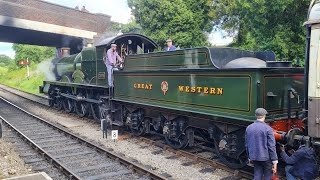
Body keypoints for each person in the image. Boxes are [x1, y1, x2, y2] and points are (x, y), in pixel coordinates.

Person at [245, 108, 278, 180]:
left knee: (257, 175)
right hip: (266, 158)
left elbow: (247, 144)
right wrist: (275, 161)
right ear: (264, 116)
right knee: (267, 176)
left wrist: (249, 157)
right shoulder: (268, 129)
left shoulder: (249, 128)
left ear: (255, 116)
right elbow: (271, 146)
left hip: (254, 157)